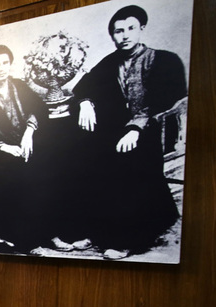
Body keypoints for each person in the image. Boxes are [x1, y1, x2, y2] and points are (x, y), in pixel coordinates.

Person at [72, 4, 186, 259]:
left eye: (130, 29)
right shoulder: (110, 62)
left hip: (152, 132)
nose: (124, 36)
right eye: (118, 31)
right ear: (112, 35)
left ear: (141, 29)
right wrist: (85, 102)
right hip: (116, 133)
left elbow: (168, 100)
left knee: (127, 161)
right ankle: (98, 232)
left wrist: (136, 127)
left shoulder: (163, 60)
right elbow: (83, 87)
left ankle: (127, 240)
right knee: (85, 158)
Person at [0, 44, 52, 253]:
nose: (1, 68)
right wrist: (4, 147)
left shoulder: (20, 86)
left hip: (26, 142)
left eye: (5, 63)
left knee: (47, 167)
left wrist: (29, 132)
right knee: (15, 174)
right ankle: (22, 240)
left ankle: (45, 234)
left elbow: (38, 109)